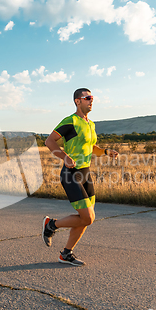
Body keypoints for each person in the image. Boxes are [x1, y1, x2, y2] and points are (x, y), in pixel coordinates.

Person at [43, 88, 118, 266]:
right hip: (71, 174)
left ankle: (66, 254)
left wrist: (106, 151)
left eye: (92, 98)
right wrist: (64, 157)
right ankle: (51, 225)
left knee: (85, 218)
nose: (91, 101)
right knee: (88, 218)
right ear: (78, 101)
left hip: (85, 173)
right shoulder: (71, 121)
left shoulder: (90, 124)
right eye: (88, 98)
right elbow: (49, 141)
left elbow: (92, 147)